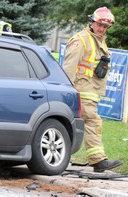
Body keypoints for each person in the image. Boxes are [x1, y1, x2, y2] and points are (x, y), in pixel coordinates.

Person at [63, 7, 122, 172]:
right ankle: (98, 160)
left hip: (91, 91)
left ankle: (62, 157)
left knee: (80, 124)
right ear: (92, 22)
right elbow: (69, 67)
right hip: (81, 91)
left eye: (105, 26)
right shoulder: (81, 40)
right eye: (99, 25)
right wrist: (68, 91)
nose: (102, 29)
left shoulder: (99, 39)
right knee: (93, 122)